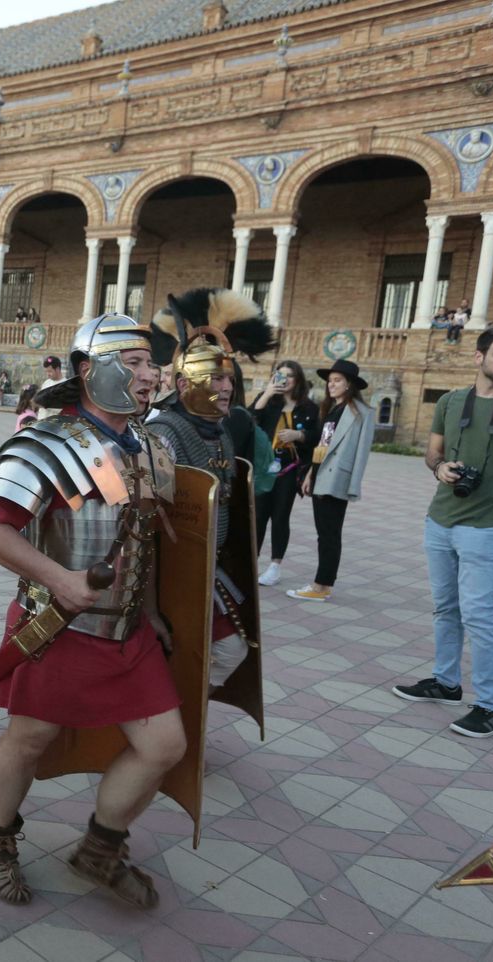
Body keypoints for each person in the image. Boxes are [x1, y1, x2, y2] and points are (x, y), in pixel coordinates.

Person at [0, 313, 181, 909]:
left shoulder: (151, 447)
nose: (149, 374)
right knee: (30, 737)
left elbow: (148, 536)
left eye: (150, 363)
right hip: (56, 626)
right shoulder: (46, 442)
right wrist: (57, 577)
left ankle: (99, 849)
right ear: (89, 371)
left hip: (127, 629)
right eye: (133, 363)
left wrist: (157, 610)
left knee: (165, 745)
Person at [394, 326, 493, 738]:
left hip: (486, 528)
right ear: (479, 357)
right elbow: (433, 452)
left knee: (480, 616)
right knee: (446, 607)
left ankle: (492, 708)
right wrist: (440, 467)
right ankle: (446, 683)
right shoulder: (450, 400)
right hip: (439, 520)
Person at [146, 289, 270, 689]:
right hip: (167, 571)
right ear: (184, 384)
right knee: (198, 649)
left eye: (229, 378)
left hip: (205, 564)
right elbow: (148, 517)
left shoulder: (222, 433)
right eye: (216, 377)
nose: (227, 387)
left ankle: (179, 723)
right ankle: (169, 722)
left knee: (217, 649)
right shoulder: (164, 434)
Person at [286, 359, 376, 603]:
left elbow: (362, 453)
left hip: (337, 479)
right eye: (330, 381)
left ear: (349, 385)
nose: (331, 385)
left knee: (329, 534)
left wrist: (353, 486)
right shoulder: (330, 409)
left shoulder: (361, 413)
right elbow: (322, 446)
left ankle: (321, 585)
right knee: (324, 533)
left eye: (337, 381)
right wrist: (310, 475)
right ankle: (322, 584)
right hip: (320, 476)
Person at [248, 360, 319, 586]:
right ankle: (251, 564)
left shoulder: (308, 407)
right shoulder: (268, 401)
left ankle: (275, 566)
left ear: (297, 380)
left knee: (280, 516)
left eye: (289, 376)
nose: (284, 379)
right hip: (264, 469)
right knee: (258, 517)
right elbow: (250, 421)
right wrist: (267, 394)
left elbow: (317, 436)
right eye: (280, 375)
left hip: (289, 469)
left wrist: (299, 436)